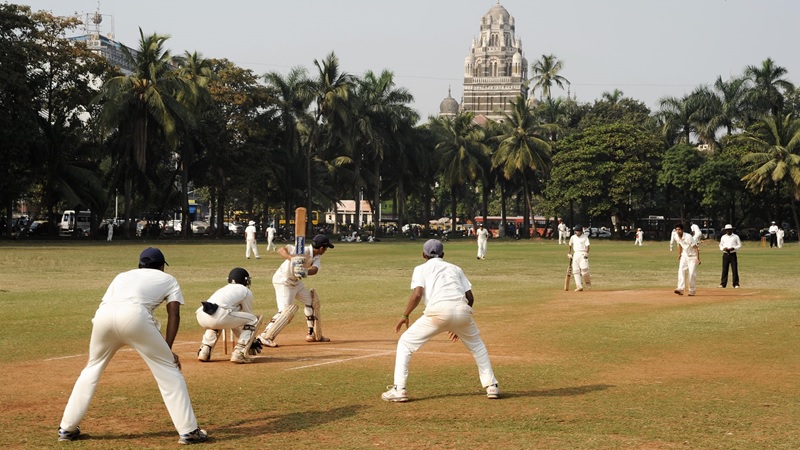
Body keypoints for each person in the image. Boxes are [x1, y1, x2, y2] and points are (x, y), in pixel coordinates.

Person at [57, 247, 207, 445]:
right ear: (162, 266)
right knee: (169, 371)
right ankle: (189, 431)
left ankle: (66, 429)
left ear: (140, 265)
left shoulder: (122, 276)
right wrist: (167, 350)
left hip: (103, 317)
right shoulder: (168, 279)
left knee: (92, 368)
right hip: (135, 316)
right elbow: (174, 314)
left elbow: (108, 303)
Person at [382, 239, 499, 402]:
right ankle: (491, 386)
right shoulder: (455, 268)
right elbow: (470, 297)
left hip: (437, 312)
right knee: (478, 347)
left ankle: (399, 389)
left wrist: (405, 315)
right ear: (443, 254)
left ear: (424, 254)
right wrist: (459, 322)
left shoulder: (421, 269)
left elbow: (417, 294)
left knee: (405, 344)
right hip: (462, 311)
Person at [257, 234, 334, 346]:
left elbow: (315, 269)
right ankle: (264, 336)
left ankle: (312, 333)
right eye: (326, 248)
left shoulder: (317, 257)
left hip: (296, 282)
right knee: (284, 311)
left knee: (311, 302)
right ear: (322, 248)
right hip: (284, 281)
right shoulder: (302, 250)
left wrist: (305, 271)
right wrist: (292, 259)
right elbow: (281, 250)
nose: (326, 250)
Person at [196, 267, 262, 364]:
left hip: (201, 314)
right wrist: (251, 340)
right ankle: (239, 352)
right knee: (253, 319)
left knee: (217, 323)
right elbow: (247, 317)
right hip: (220, 315)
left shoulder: (224, 289)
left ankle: (205, 350)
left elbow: (233, 323)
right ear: (246, 280)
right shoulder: (245, 291)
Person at [673, 224, 701, 296]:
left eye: (679, 230)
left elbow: (695, 248)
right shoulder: (676, 236)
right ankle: (681, 289)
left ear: (682, 230)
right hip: (684, 255)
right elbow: (679, 245)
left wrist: (698, 258)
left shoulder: (688, 237)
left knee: (691, 274)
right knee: (681, 270)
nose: (678, 231)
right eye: (676, 230)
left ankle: (692, 290)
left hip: (692, 256)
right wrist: (679, 255)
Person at [568, 225, 591, 292]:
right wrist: (569, 253)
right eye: (576, 231)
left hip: (583, 254)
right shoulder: (573, 237)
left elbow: (587, 246)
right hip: (576, 254)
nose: (577, 232)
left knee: (584, 270)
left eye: (578, 231)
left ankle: (588, 283)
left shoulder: (585, 237)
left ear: (581, 231)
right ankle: (579, 286)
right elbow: (570, 244)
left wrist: (586, 253)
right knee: (575, 271)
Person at [718, 224, 741, 289]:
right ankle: (723, 284)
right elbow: (720, 245)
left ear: (731, 230)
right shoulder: (723, 237)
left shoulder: (735, 236)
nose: (728, 231)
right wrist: (723, 248)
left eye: (729, 230)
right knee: (724, 270)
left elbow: (739, 245)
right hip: (725, 254)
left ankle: (736, 284)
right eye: (727, 230)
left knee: (734, 269)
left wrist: (733, 248)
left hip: (733, 254)